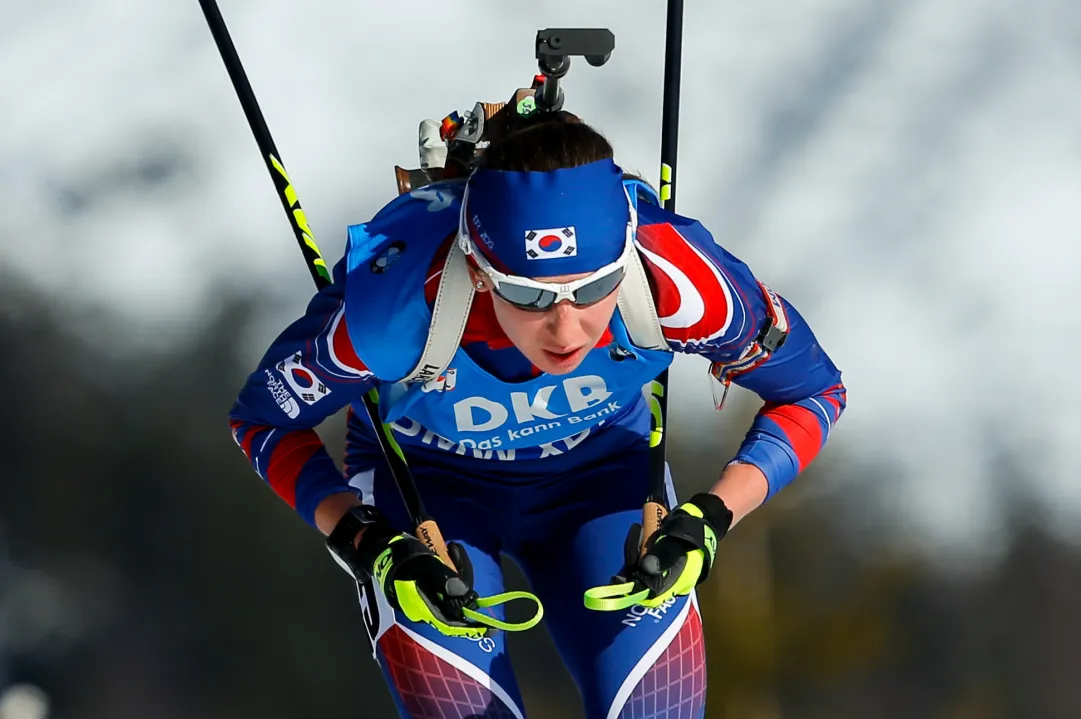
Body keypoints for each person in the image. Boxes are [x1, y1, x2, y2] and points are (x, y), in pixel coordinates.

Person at [228, 106, 847, 718]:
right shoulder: (392, 315)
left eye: (595, 287)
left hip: (604, 481)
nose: (566, 326)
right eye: (527, 294)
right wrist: (366, 542)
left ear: (626, 255)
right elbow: (262, 422)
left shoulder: (680, 285)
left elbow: (814, 393)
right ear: (477, 268)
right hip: (428, 496)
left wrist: (711, 518)